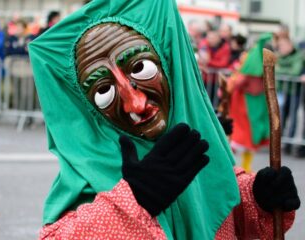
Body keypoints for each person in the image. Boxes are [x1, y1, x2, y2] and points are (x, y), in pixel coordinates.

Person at [29, 0, 300, 239]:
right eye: (103, 90)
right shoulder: (89, 173)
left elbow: (217, 201)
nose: (135, 103)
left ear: (168, 66)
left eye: (140, 68)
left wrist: (257, 198)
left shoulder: (188, 145)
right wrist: (135, 202)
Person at [227, 34, 272, 172]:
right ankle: (244, 167)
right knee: (249, 138)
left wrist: (231, 83)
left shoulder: (253, 62)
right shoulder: (261, 62)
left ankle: (233, 165)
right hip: (257, 103)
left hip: (246, 103)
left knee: (240, 135)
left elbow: (239, 82)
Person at [275, 37, 304, 155]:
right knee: (282, 116)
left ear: (289, 45)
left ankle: (288, 144)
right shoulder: (280, 56)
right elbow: (275, 69)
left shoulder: (298, 56)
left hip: (294, 92)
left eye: (282, 46)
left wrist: (280, 69)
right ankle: (280, 142)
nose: (280, 48)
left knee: (292, 117)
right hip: (283, 90)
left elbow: (295, 71)